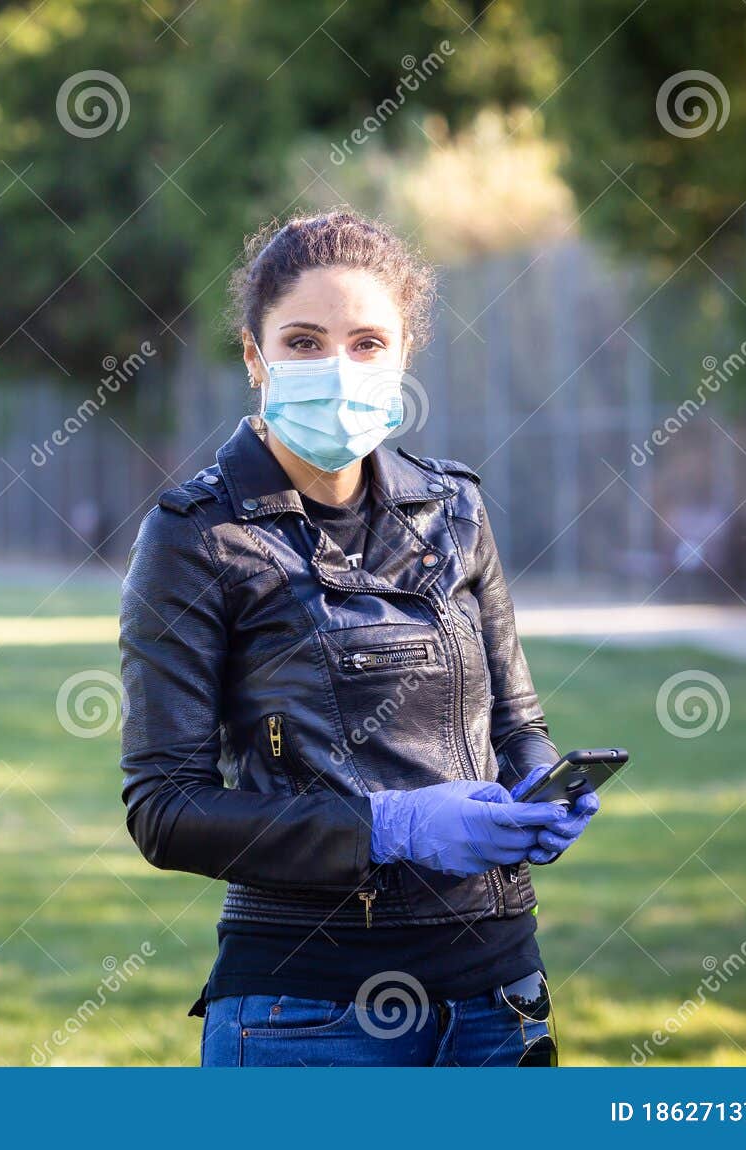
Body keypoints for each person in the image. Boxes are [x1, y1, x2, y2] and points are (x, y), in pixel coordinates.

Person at [118, 209, 601, 1067]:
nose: (337, 367)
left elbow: (517, 722)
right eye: (303, 341)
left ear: (404, 354)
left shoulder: (456, 509)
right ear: (253, 356)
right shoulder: (196, 533)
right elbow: (165, 810)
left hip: (498, 996)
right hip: (308, 1010)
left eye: (367, 342)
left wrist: (541, 786)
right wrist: (392, 826)